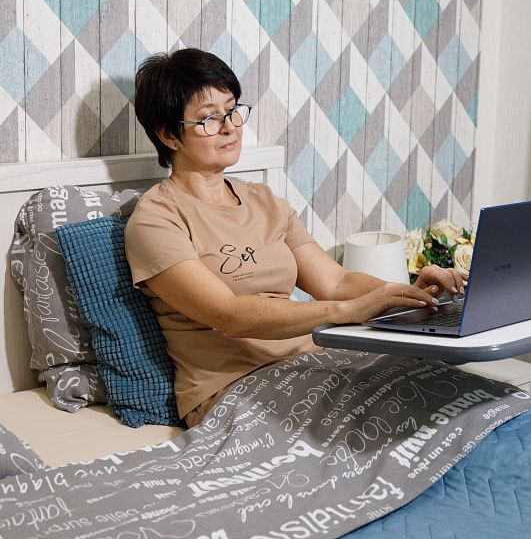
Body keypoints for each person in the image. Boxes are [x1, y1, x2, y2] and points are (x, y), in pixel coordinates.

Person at [125, 48, 467, 428]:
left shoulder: (264, 200)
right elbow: (229, 316)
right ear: (168, 135)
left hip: (312, 362)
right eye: (208, 118)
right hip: (233, 387)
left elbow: (336, 282)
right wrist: (346, 312)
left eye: (232, 110)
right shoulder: (157, 218)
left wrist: (406, 294)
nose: (229, 127)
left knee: (452, 400)